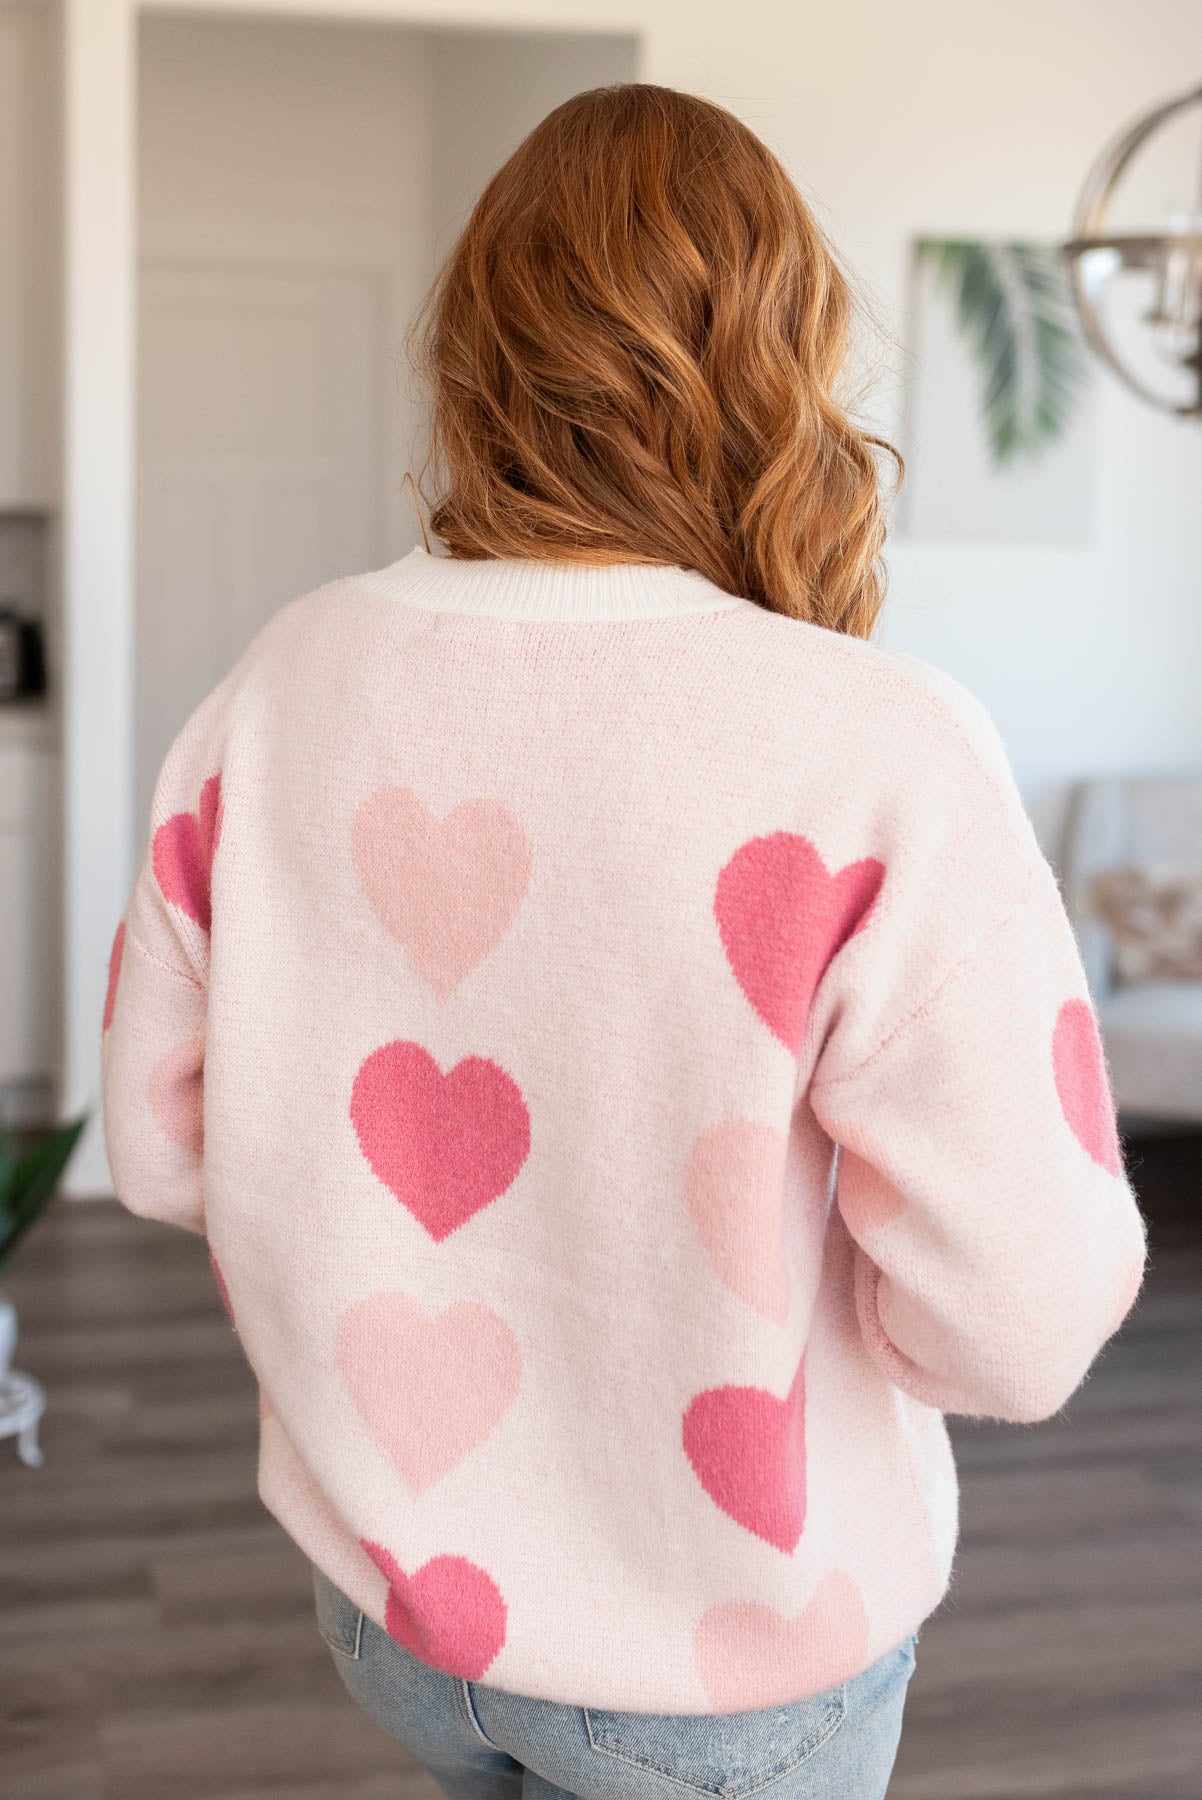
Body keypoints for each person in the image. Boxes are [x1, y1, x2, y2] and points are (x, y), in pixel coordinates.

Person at [101, 83, 1146, 1800]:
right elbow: (1019, 1320)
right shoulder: (873, 741)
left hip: (394, 1611)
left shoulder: (284, 680)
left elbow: (157, 1150)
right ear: (781, 352)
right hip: (734, 1654)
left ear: (480, 349)